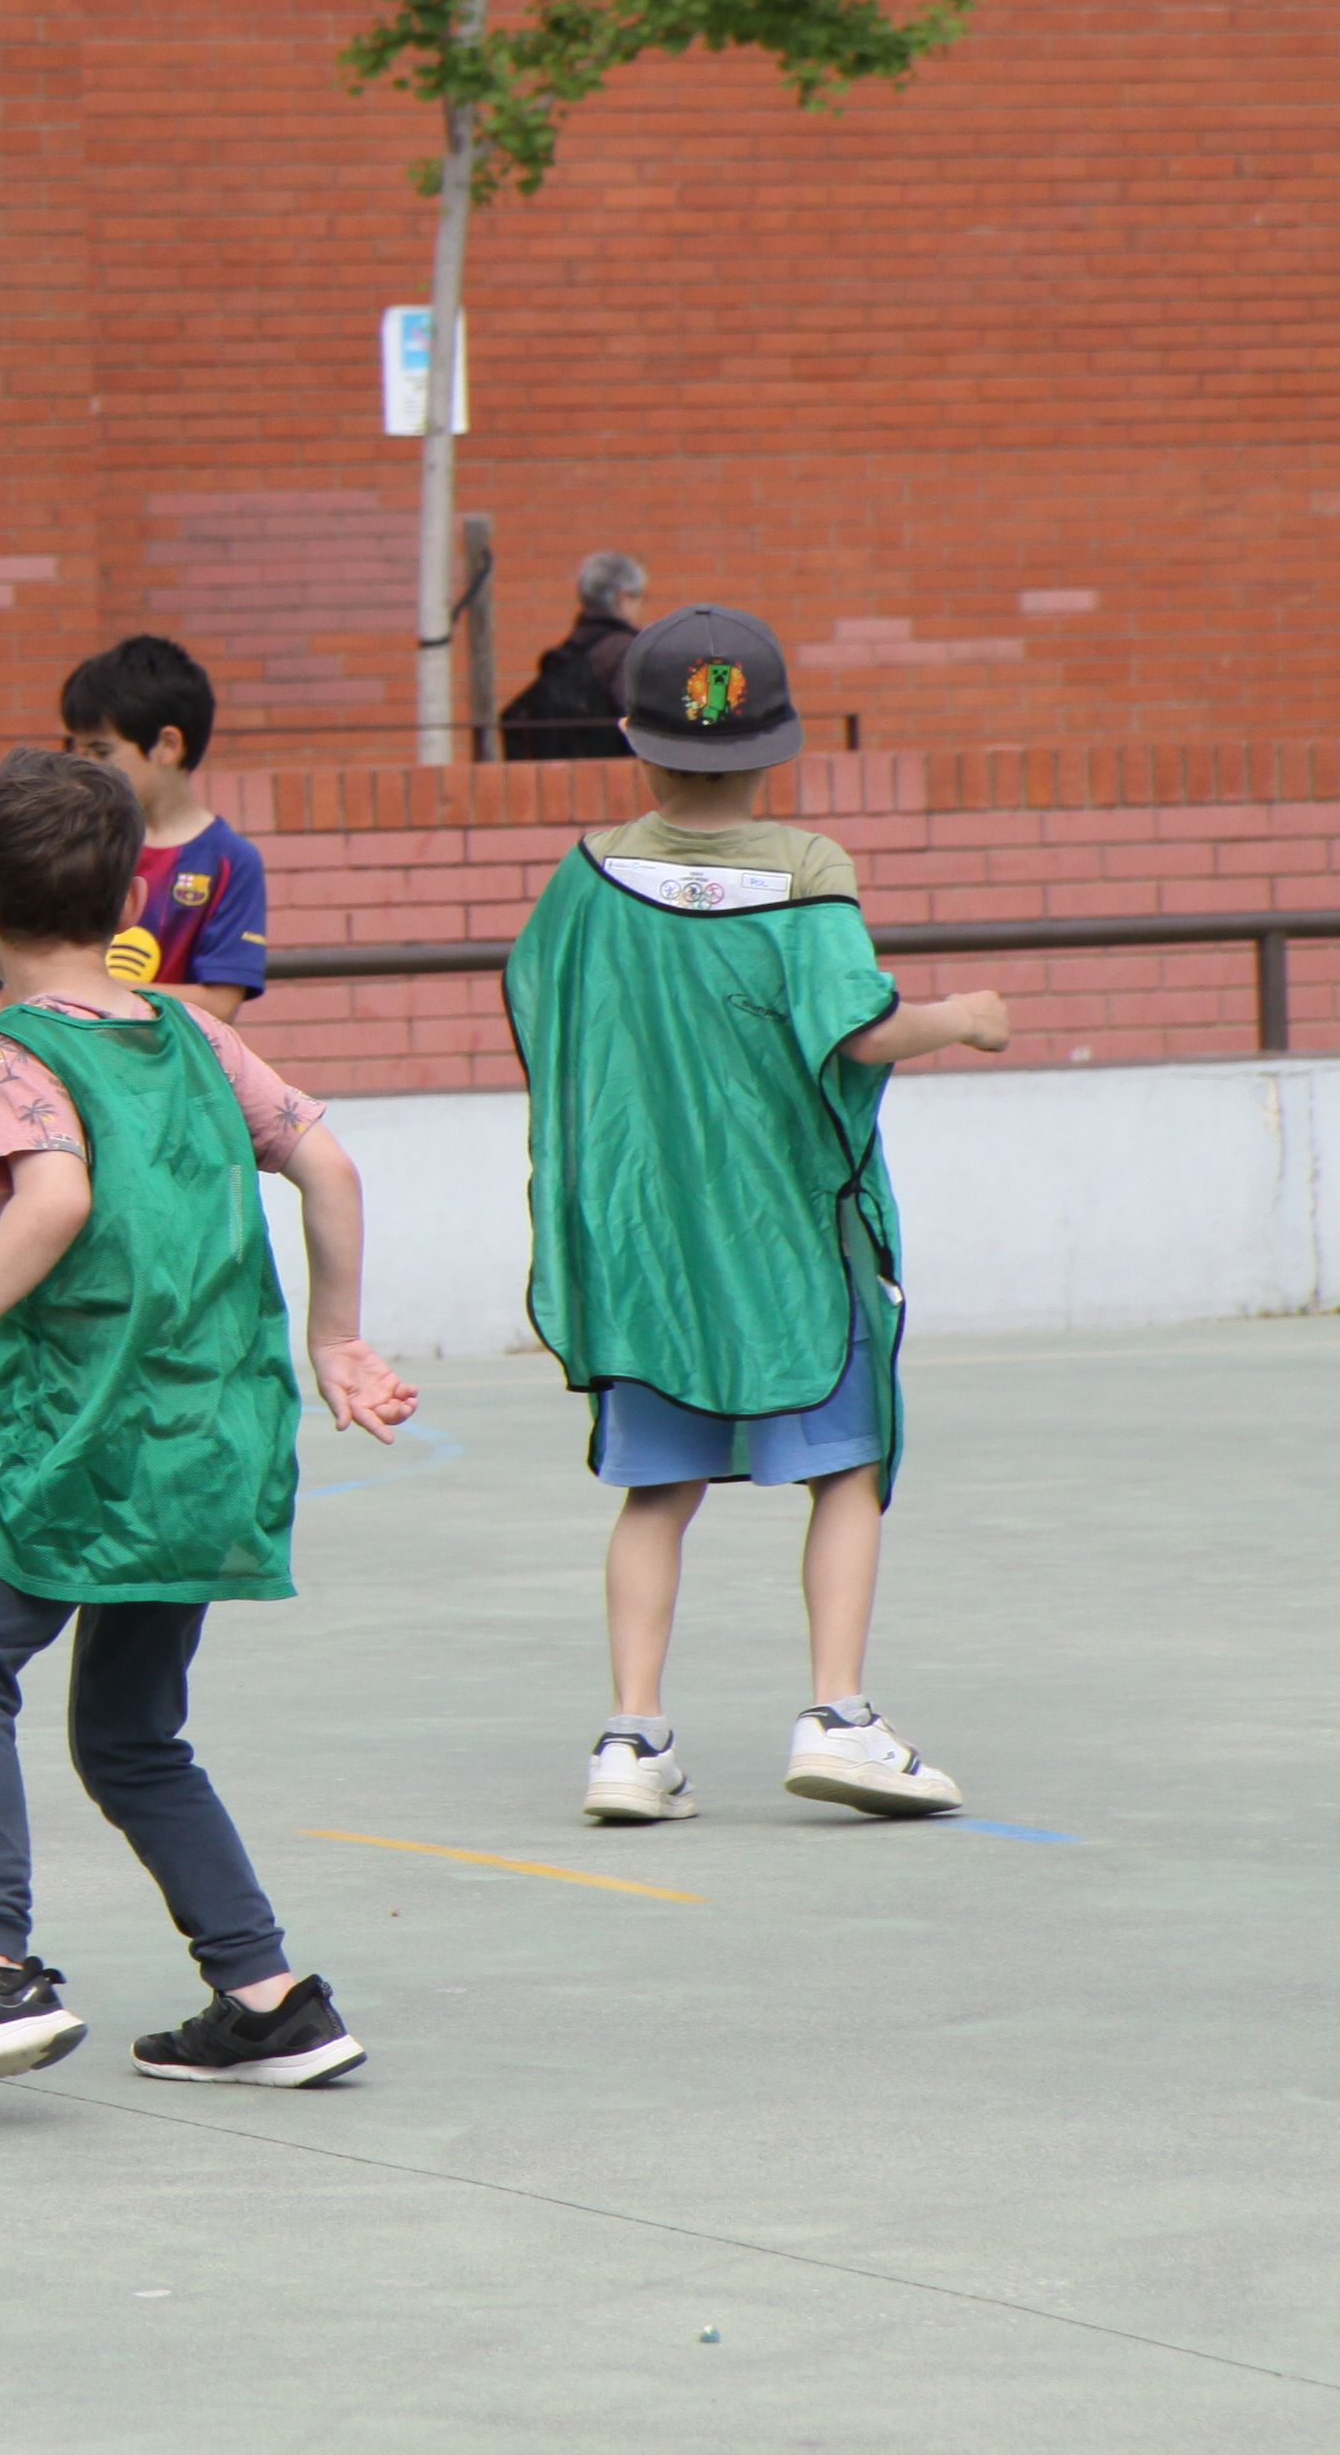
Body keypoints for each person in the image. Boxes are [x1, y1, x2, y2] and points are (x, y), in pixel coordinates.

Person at [0, 749, 418, 2101]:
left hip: (89, 1438)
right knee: (131, 1736)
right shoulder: (192, 1033)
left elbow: (52, 1201)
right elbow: (323, 1154)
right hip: (216, 1437)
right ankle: (268, 1998)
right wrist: (336, 1337)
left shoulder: (12, 1054)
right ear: (123, 900)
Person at [504, 604, 1011, 1831]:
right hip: (791, 1237)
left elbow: (543, 1017)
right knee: (845, 1465)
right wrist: (962, 1014)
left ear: (633, 734)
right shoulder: (808, 872)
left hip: (648, 1251)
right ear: (777, 744)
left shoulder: (585, 878)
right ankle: (836, 1714)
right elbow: (858, 1027)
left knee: (653, 1491)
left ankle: (631, 1736)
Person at [56, 634, 268, 1022]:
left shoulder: (230, 861)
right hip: (77, 1070)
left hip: (174, 1075)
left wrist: (89, 989)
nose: (82, 768)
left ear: (167, 745)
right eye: (76, 750)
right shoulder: (71, 844)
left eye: (101, 752)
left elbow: (220, 1005)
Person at [498, 551, 648, 761]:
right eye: (639, 596)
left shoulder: (568, 653)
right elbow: (642, 726)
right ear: (623, 598)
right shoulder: (623, 651)